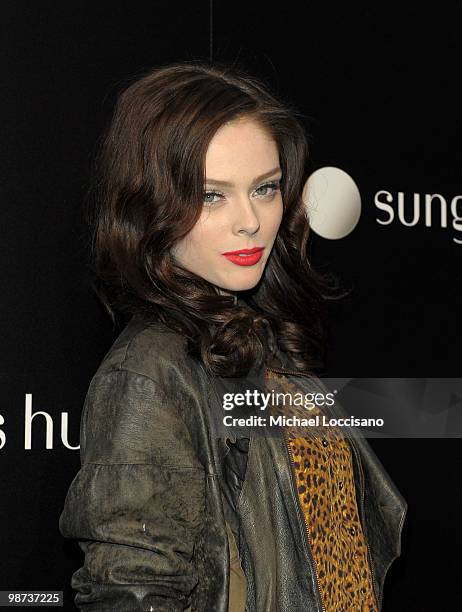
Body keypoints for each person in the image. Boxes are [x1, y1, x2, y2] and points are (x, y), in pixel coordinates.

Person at [59, 60, 407, 612]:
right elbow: (133, 594)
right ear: (152, 205)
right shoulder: (149, 376)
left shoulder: (261, 344)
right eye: (213, 195)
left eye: (265, 188)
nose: (250, 220)